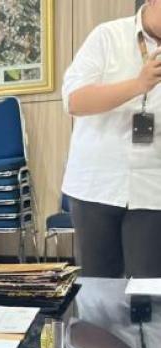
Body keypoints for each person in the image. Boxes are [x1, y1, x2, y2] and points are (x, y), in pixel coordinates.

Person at [62, 0, 161, 278]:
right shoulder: (107, 36)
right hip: (96, 183)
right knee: (97, 286)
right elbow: (75, 101)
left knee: (149, 289)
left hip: (153, 187)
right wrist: (138, 85)